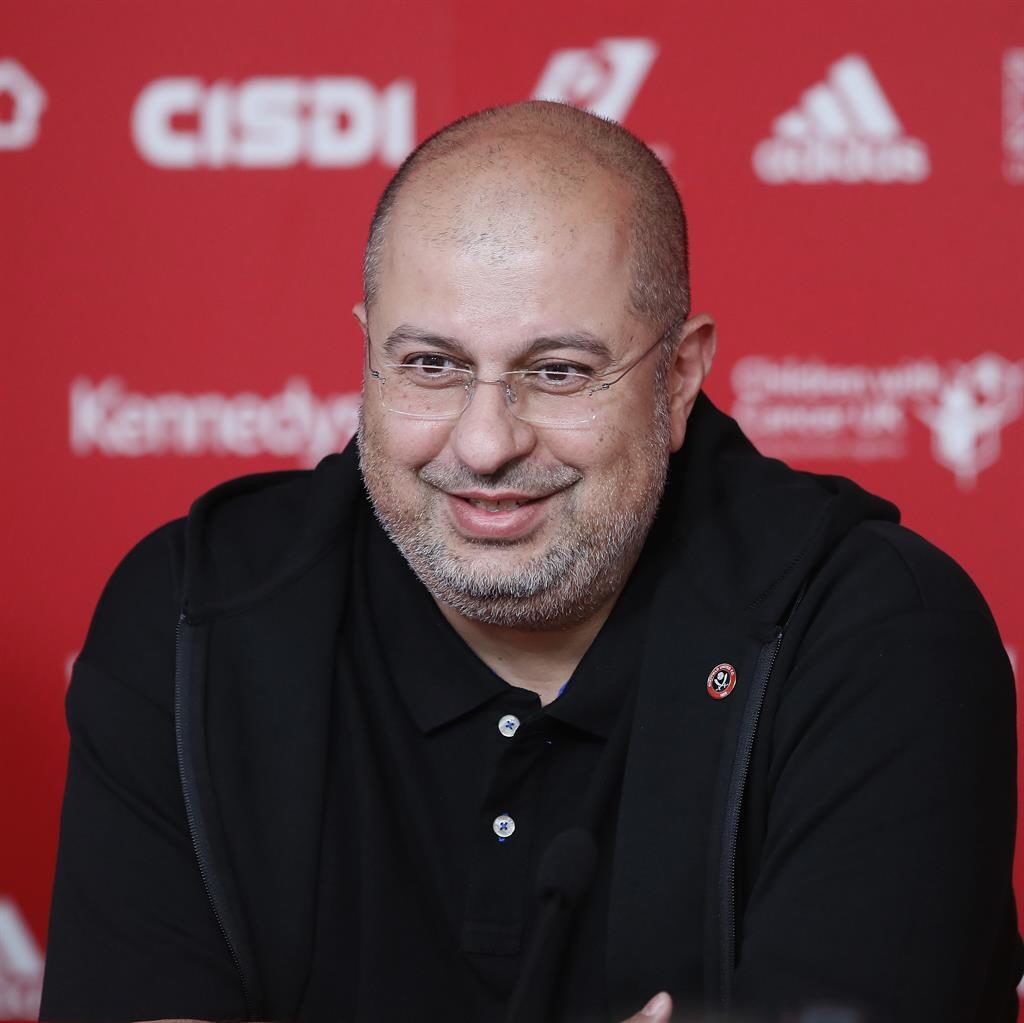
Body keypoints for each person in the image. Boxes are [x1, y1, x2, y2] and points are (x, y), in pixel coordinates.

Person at [40, 101, 1021, 1023]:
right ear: (368, 353)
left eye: (557, 373)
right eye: (430, 365)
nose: (484, 444)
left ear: (680, 376)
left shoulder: (879, 637)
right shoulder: (194, 619)